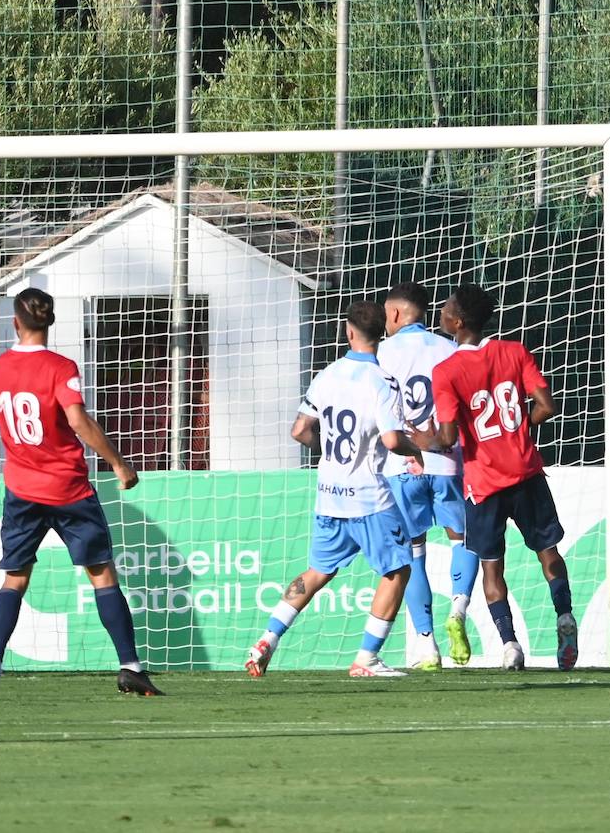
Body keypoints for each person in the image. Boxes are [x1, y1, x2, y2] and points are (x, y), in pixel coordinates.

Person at [0, 288, 161, 697]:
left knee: (14, 579)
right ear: (48, 322)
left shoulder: (1, 366)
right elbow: (77, 420)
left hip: (21, 489)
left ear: (15, 322)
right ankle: (130, 667)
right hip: (68, 488)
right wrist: (118, 463)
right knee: (102, 574)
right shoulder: (60, 367)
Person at [246, 301, 423, 678]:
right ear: (384, 333)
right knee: (398, 569)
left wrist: (327, 452)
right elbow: (392, 440)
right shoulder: (383, 381)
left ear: (348, 331)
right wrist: (416, 450)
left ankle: (267, 639)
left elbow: (299, 430)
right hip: (368, 497)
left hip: (329, 493)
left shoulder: (326, 375)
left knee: (315, 572)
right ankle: (366, 659)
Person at [408, 284, 575, 671]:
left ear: (458, 321)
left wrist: (422, 440)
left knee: (491, 566)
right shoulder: (514, 352)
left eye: (447, 306)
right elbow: (547, 406)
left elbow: (448, 438)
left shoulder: (447, 370)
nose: (442, 311)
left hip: (483, 484)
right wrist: (515, 431)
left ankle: (510, 645)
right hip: (527, 473)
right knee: (547, 552)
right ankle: (565, 617)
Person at [378, 282, 479, 668]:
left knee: (412, 553)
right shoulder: (448, 348)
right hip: (447, 459)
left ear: (398, 314)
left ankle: (426, 644)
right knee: (462, 539)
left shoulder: (382, 354)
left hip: (402, 464)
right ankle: (458, 609)